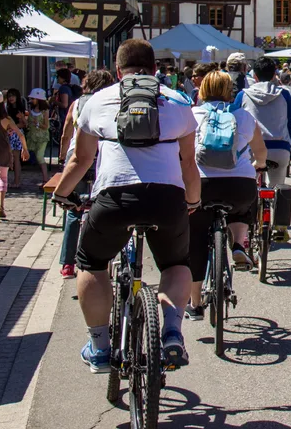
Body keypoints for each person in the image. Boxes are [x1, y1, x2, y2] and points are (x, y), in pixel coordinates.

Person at [51, 39, 199, 373]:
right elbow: (189, 164)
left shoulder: (96, 100)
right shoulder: (179, 101)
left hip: (114, 199)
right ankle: (172, 331)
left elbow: (80, 159)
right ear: (156, 70)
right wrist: (193, 202)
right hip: (166, 198)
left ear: (118, 71)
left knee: (91, 261)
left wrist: (61, 194)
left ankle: (100, 348)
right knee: (176, 263)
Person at [185, 71, 269, 320]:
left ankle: (196, 303)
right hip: (238, 184)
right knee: (243, 206)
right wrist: (259, 165)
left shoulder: (192, 115)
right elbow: (260, 152)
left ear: (201, 90)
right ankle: (237, 244)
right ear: (229, 92)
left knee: (197, 241)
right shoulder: (244, 116)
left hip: (200, 185)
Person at [57, 70, 115, 279]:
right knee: (103, 209)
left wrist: (64, 157)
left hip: (78, 154)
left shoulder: (78, 103)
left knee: (73, 210)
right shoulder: (110, 102)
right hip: (102, 156)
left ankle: (67, 264)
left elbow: (66, 132)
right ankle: (101, 261)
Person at [239, 57, 291, 241]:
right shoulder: (284, 94)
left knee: (248, 188)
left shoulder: (243, 95)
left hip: (251, 150)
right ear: (275, 74)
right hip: (279, 148)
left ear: (254, 76)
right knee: (278, 187)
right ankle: (280, 227)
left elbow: (235, 120)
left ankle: (246, 230)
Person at [0, 90, 28, 221]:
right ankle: (1, 207)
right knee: (3, 178)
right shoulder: (7, 119)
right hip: (5, 151)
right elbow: (20, 134)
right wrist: (25, 149)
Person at [25, 88, 51, 183]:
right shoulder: (31, 109)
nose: (31, 100)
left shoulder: (45, 111)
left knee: (40, 157)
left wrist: (37, 124)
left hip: (41, 137)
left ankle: (45, 179)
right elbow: (28, 123)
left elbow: (46, 126)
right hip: (32, 136)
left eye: (33, 99)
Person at [4, 88, 27, 187]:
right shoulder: (6, 108)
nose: (11, 98)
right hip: (8, 134)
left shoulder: (20, 109)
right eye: (9, 96)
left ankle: (17, 181)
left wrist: (13, 127)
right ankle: (6, 181)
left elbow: (23, 124)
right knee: (8, 158)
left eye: (13, 96)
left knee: (16, 158)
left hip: (16, 134)